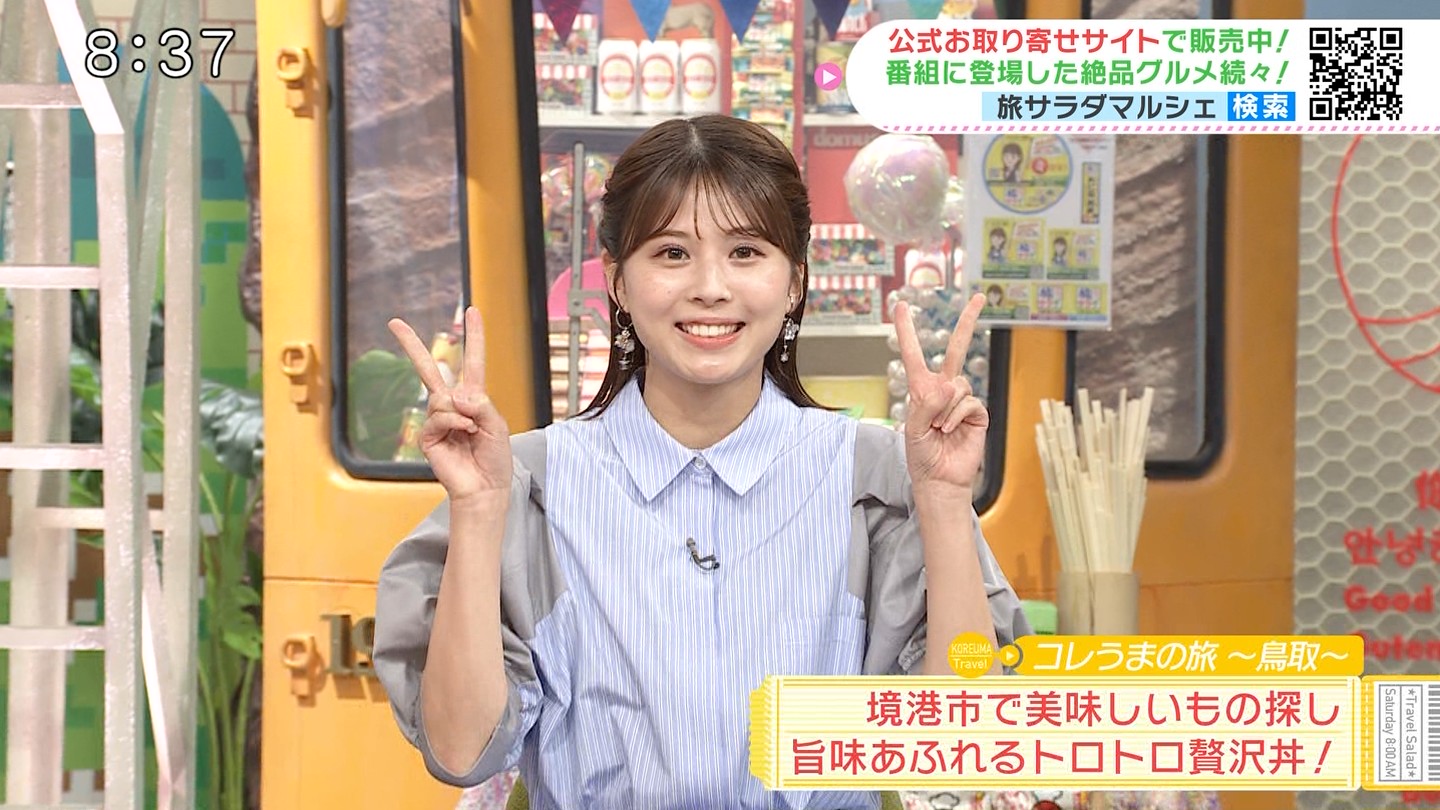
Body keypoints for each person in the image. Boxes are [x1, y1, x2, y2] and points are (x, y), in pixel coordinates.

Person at [372, 115, 1031, 810]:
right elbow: (461, 750)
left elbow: (961, 747)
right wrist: (478, 512)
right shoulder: (527, 483)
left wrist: (943, 499)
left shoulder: (877, 477)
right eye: (672, 253)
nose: (711, 287)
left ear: (794, 281)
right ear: (618, 281)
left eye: (746, 251)